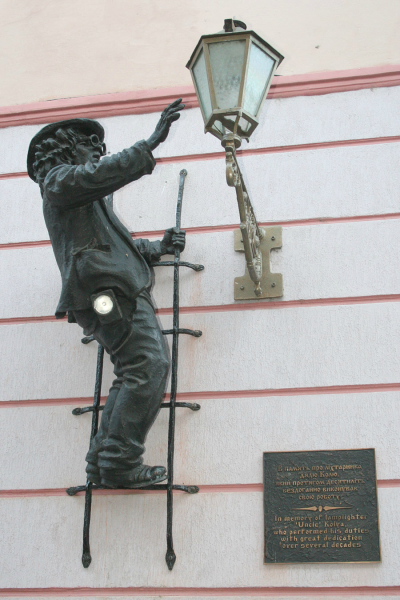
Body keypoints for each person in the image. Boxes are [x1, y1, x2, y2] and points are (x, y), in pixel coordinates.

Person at [27, 99, 185, 488]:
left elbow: (114, 244)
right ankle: (118, 461)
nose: (100, 153)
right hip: (107, 291)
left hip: (113, 287)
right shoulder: (59, 183)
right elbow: (97, 177)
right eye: (91, 147)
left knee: (133, 370)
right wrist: (147, 145)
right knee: (148, 367)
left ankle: (104, 460)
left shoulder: (82, 198)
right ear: (66, 150)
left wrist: (157, 248)